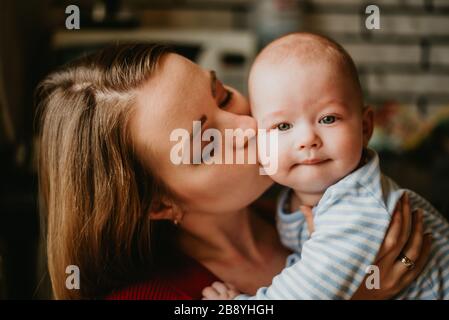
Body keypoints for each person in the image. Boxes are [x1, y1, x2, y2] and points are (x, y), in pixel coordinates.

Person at [35, 43, 431, 300]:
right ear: (158, 203)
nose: (247, 128)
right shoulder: (151, 296)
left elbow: (416, 255)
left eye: (223, 95)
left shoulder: (295, 205)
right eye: (206, 143)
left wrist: (412, 270)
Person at [203, 33, 448, 300]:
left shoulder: (356, 205)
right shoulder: (292, 197)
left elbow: (309, 293)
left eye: (328, 118)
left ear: (365, 127)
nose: (308, 139)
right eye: (283, 126)